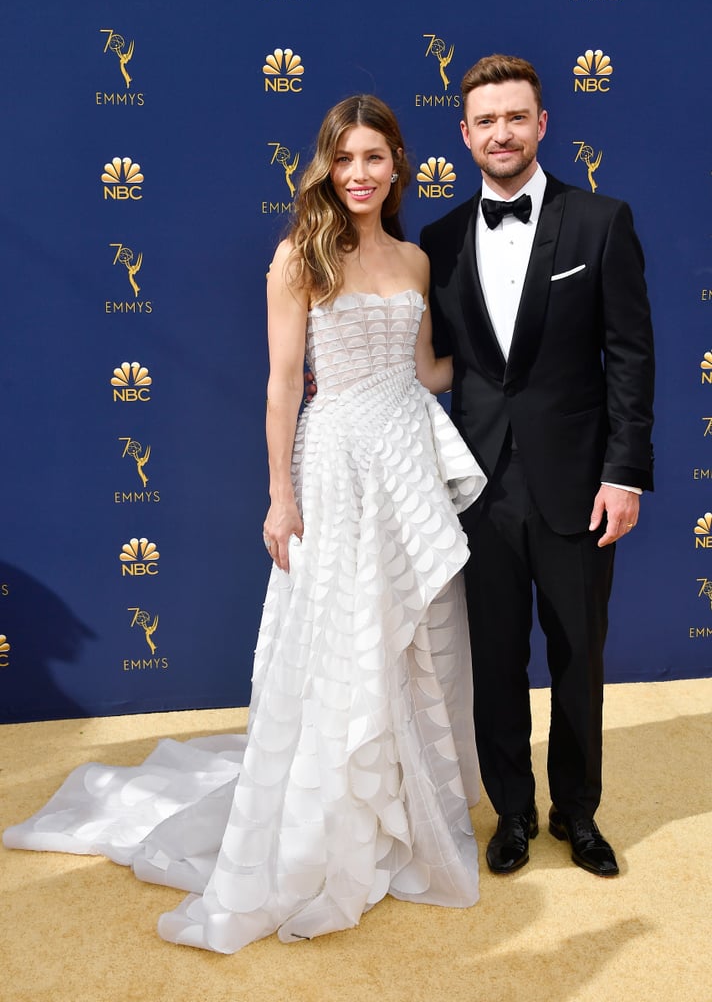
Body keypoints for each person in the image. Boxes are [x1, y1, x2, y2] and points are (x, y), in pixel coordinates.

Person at [3, 95, 486, 953]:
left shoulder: (415, 261)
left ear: (399, 165)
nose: (361, 174)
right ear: (327, 168)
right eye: (346, 160)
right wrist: (280, 494)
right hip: (333, 460)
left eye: (376, 158)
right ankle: (333, 823)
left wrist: (512, 358)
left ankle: (407, 816)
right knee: (342, 636)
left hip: (404, 457)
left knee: (414, 635)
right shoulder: (300, 257)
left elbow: (427, 372)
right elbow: (281, 385)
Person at [420, 55, 654, 878]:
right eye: (485, 121)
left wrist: (624, 474)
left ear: (543, 123)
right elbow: (436, 364)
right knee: (492, 661)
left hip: (580, 487)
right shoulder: (441, 239)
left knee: (578, 657)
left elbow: (629, 355)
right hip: (479, 490)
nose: (502, 133)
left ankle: (577, 815)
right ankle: (512, 813)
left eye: (515, 117)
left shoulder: (600, 221)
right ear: (465, 134)